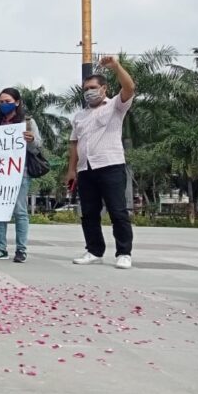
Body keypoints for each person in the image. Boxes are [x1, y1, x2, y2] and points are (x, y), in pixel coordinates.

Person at [67, 55, 135, 269]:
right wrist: (72, 170)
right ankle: (94, 250)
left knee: (117, 210)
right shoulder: (79, 116)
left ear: (104, 88)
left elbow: (129, 88)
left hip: (110, 165)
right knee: (88, 212)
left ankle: (124, 252)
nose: (89, 92)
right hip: (86, 169)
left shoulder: (115, 106)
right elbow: (74, 144)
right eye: (86, 88)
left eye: (93, 87)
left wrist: (116, 67)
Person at [0, 88, 42, 263]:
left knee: (20, 211)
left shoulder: (28, 122)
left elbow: (38, 147)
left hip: (20, 173)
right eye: (1, 102)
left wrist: (31, 140)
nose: (4, 105)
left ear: (17, 102)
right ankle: (0, 248)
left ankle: (21, 250)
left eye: (7, 101)